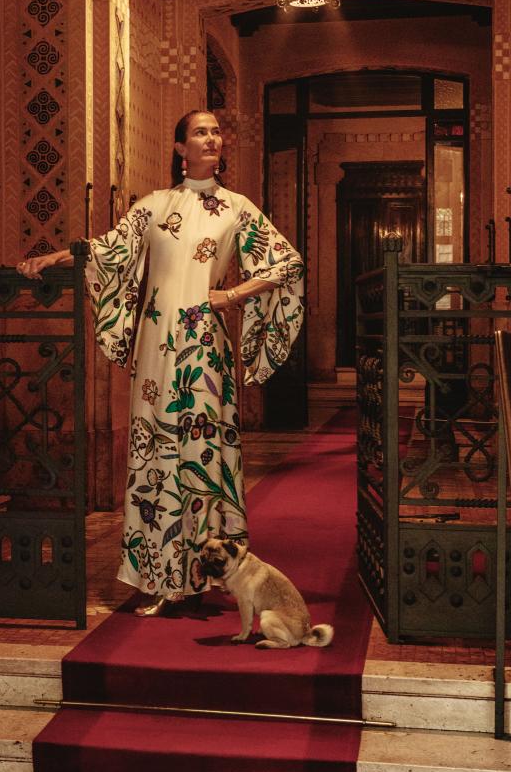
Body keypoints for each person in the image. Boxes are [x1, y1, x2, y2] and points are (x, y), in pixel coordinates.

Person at [17, 109, 305, 615]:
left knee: (202, 448)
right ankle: (156, 576)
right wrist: (52, 258)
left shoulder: (237, 209)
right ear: (180, 148)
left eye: (216, 132)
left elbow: (287, 263)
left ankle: (207, 572)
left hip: (204, 348)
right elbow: (108, 249)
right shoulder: (154, 206)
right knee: (154, 451)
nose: (211, 138)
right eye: (200, 132)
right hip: (156, 346)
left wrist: (233, 293)